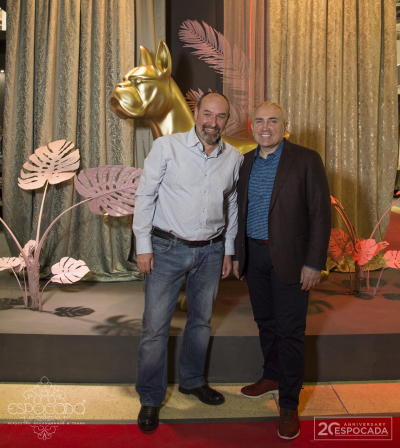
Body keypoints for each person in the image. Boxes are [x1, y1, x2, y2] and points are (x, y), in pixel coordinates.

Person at [133, 91, 243, 432]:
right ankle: (151, 398)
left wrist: (228, 250)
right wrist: (143, 246)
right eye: (207, 114)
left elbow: (231, 204)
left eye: (220, 116)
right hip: (166, 249)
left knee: (201, 322)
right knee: (155, 328)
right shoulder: (167, 147)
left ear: (227, 120)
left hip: (211, 252)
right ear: (197, 113)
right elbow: (145, 195)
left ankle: (193, 381)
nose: (213, 122)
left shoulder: (234, 157)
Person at [233, 101, 331, 441]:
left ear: (285, 126)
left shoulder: (305, 159)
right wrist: (237, 255)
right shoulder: (245, 161)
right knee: (266, 323)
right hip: (254, 257)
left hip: (292, 260)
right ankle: (271, 376)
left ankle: (289, 403)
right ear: (252, 126)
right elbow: (238, 211)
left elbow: (320, 214)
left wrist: (314, 262)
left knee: (290, 332)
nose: (265, 127)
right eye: (259, 121)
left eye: (273, 121)